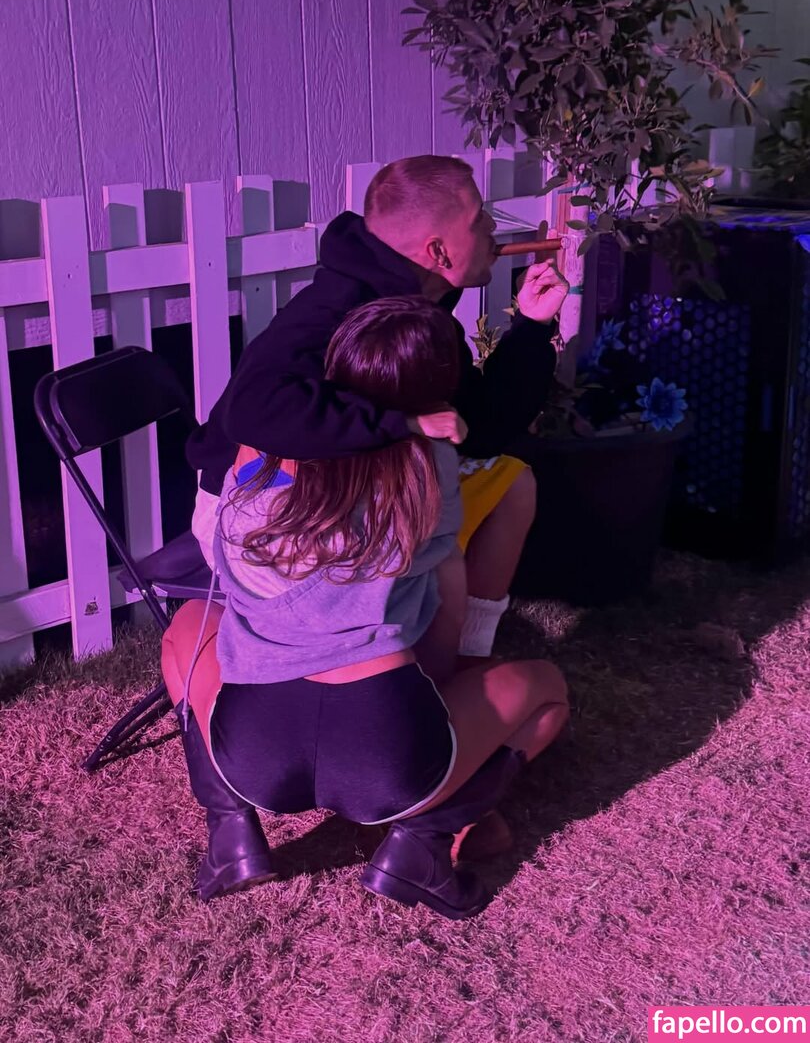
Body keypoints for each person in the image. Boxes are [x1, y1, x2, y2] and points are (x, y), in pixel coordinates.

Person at [163, 296, 569, 920]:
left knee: (186, 628)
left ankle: (230, 830)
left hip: (254, 752)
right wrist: (440, 682)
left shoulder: (255, 463)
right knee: (546, 691)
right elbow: (444, 585)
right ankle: (421, 844)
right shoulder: (426, 468)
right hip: (386, 750)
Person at [187, 155, 569, 672]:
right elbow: (252, 411)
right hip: (263, 509)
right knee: (439, 547)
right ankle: (408, 677)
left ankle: (467, 661)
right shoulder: (333, 309)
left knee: (510, 484)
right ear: (438, 251)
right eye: (478, 217)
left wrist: (531, 327)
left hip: (357, 484)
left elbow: (481, 427)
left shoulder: (420, 306)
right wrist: (400, 424)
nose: (492, 227)